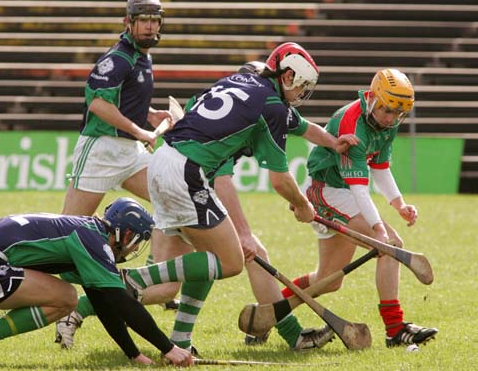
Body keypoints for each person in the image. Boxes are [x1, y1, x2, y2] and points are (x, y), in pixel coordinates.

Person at [124, 42, 359, 352]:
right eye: (301, 85)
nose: (303, 92)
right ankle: (133, 280)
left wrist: (333, 143)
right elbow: (276, 179)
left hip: (166, 163)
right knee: (232, 260)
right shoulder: (270, 107)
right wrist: (301, 206)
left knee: (209, 260)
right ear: (286, 76)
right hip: (186, 173)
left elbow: (302, 127)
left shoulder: (246, 87)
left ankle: (180, 337)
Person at [0, 198, 193, 366]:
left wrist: (133, 353)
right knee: (66, 298)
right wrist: (169, 348)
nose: (134, 248)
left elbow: (104, 302)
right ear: (125, 234)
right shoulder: (93, 240)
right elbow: (120, 301)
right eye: (135, 241)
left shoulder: (85, 231)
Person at [281, 68, 438, 347]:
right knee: (390, 246)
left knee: (329, 281)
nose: (391, 118)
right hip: (327, 190)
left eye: (398, 114)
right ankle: (395, 329)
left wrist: (398, 203)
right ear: (374, 98)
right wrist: (378, 228)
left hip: (343, 192)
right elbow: (358, 187)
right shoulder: (352, 123)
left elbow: (379, 167)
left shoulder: (387, 122)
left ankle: (273, 310)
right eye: (387, 110)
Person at [57, 0, 178, 345]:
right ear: (128, 22)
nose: (150, 26)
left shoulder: (143, 57)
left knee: (169, 197)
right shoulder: (118, 57)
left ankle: (159, 277)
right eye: (144, 20)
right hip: (101, 150)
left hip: (130, 151)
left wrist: (151, 116)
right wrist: (140, 130)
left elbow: (128, 102)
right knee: (68, 232)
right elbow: (97, 102)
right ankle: (51, 302)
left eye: (155, 20)